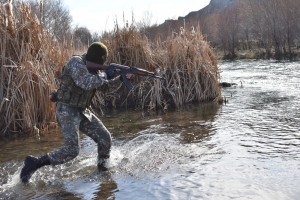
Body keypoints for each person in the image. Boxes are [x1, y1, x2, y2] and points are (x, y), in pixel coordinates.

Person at [20, 42, 132, 183]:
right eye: (102, 59)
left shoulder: (96, 71)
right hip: (66, 109)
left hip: (81, 111)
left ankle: (102, 172)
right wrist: (104, 74)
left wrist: (120, 78)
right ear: (97, 58)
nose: (103, 62)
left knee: (105, 138)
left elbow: (105, 88)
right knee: (73, 150)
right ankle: (35, 162)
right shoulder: (76, 62)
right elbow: (85, 82)